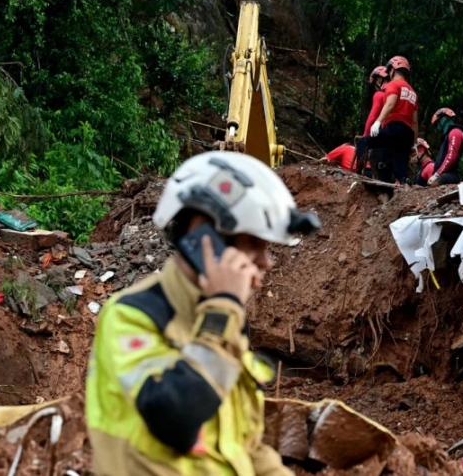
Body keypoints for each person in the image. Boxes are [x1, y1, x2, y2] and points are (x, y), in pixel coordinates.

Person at [86, 151, 320, 476]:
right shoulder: (131, 315)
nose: (267, 262)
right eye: (254, 243)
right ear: (204, 237)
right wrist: (223, 306)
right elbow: (176, 419)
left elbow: (243, 444)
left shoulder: (224, 321)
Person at [354, 56, 418, 184]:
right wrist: (414, 144)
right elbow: (414, 121)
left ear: (393, 70)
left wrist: (378, 122)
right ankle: (406, 187)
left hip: (393, 127)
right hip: (407, 134)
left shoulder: (393, 85)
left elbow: (390, 104)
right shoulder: (413, 93)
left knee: (363, 143)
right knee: (400, 170)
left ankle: (357, 175)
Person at [427, 108, 463, 186]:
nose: (437, 127)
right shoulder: (446, 137)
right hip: (443, 174)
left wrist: (437, 174)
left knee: (433, 184)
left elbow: (451, 157)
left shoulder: (455, 132)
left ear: (443, 119)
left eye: (437, 123)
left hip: (451, 174)